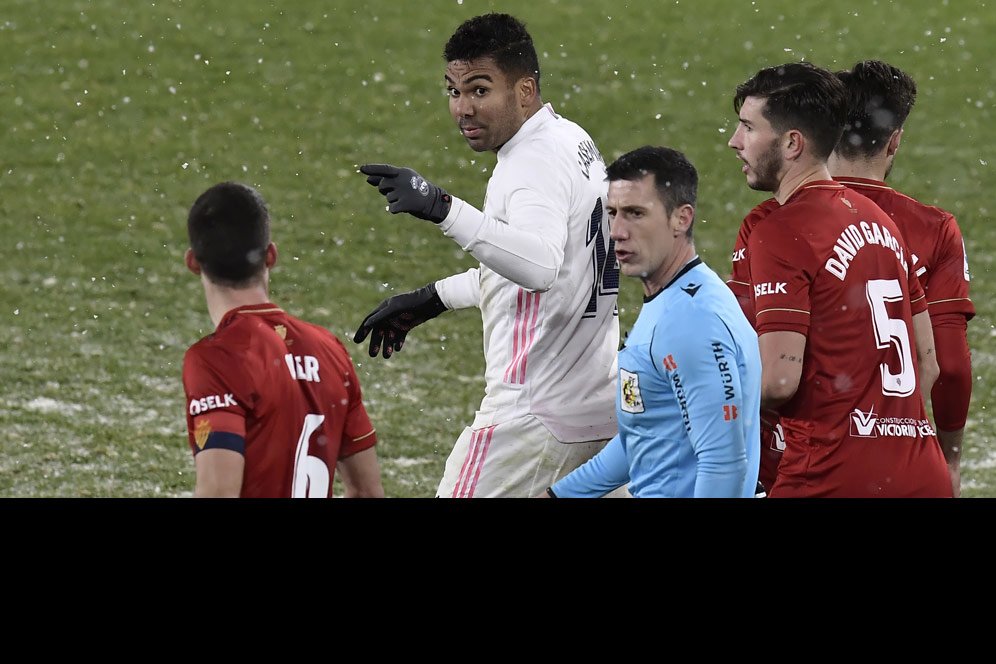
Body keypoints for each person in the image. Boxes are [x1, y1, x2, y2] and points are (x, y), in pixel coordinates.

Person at [354, 13, 619, 498]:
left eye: (479, 90)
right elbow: (561, 270)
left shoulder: (529, 163)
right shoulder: (572, 139)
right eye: (454, 92)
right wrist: (436, 297)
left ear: (524, 90)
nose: (463, 109)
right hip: (597, 411)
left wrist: (443, 208)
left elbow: (540, 267)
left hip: (531, 419)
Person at [726, 61, 951, 497]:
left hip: (831, 477)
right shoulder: (882, 222)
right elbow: (929, 363)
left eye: (748, 128)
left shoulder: (780, 229)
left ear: (793, 143)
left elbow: (777, 381)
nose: (735, 142)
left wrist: (691, 403)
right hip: (921, 473)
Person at [542, 146, 761, 498]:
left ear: (681, 218)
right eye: (612, 213)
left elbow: (724, 463)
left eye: (635, 214)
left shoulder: (691, 322)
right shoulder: (674, 297)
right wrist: (558, 495)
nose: (617, 231)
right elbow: (642, 438)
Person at [829, 60, 975, 496]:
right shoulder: (935, 228)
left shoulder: (779, 222)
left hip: (809, 459)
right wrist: (949, 457)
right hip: (904, 461)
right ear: (894, 142)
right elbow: (950, 366)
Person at [182, 182, 384, 498]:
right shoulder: (329, 349)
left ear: (193, 262)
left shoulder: (216, 360)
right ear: (271, 255)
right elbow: (368, 492)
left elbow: (219, 492)